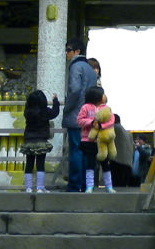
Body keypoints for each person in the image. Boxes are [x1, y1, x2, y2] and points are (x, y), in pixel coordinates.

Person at [62, 37, 98, 192]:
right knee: (85, 150)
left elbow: (75, 90)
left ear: (77, 51)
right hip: (89, 115)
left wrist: (66, 108)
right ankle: (85, 183)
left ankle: (75, 184)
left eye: (69, 50)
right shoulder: (90, 69)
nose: (66, 53)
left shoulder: (75, 67)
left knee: (76, 149)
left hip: (77, 114)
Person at [76, 86, 116, 192]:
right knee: (90, 164)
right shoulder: (85, 107)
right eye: (102, 94)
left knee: (105, 163)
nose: (104, 96)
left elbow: (112, 120)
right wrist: (91, 122)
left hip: (103, 141)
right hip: (88, 141)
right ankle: (89, 186)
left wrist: (101, 126)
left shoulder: (106, 108)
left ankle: (109, 186)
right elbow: (79, 120)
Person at [20, 89, 60, 193]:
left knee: (29, 164)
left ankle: (28, 187)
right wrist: (55, 101)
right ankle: (40, 187)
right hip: (41, 140)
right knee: (40, 164)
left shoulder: (27, 112)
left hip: (29, 141)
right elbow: (55, 113)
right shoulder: (45, 111)